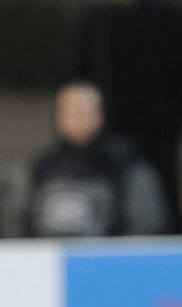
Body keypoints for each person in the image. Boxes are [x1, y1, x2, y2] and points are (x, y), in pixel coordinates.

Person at [72, 0, 182, 231]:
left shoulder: (176, 20)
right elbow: (79, 77)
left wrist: (173, 122)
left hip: (161, 139)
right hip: (107, 137)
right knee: (108, 208)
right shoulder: (95, 22)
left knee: (166, 207)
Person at [24, 81, 169, 237]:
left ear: (99, 115)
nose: (80, 118)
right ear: (59, 116)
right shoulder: (43, 166)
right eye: (74, 111)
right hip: (49, 258)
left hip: (109, 256)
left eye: (86, 111)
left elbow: (147, 222)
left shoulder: (124, 162)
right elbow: (21, 221)